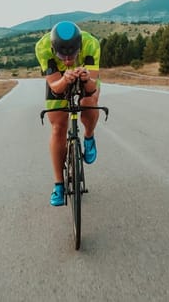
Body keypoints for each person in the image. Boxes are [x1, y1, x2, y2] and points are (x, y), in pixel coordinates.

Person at [35, 21, 102, 206]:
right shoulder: (42, 47)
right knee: (58, 127)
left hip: (86, 78)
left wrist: (86, 78)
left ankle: (89, 137)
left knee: (89, 102)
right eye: (61, 56)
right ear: (52, 47)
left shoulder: (91, 44)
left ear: (79, 47)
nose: (67, 61)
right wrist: (65, 78)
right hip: (59, 80)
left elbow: (91, 87)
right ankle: (59, 185)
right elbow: (55, 86)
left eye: (71, 55)